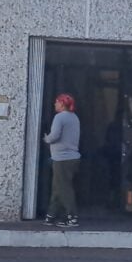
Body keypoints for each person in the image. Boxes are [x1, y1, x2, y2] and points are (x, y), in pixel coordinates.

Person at [43, 93, 81, 227]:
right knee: (58, 187)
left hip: (62, 158)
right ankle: (51, 215)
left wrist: (46, 139)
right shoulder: (74, 117)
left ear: (62, 104)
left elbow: (55, 136)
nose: (55, 104)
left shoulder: (59, 117)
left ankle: (72, 217)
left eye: (56, 102)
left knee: (64, 188)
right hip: (73, 158)